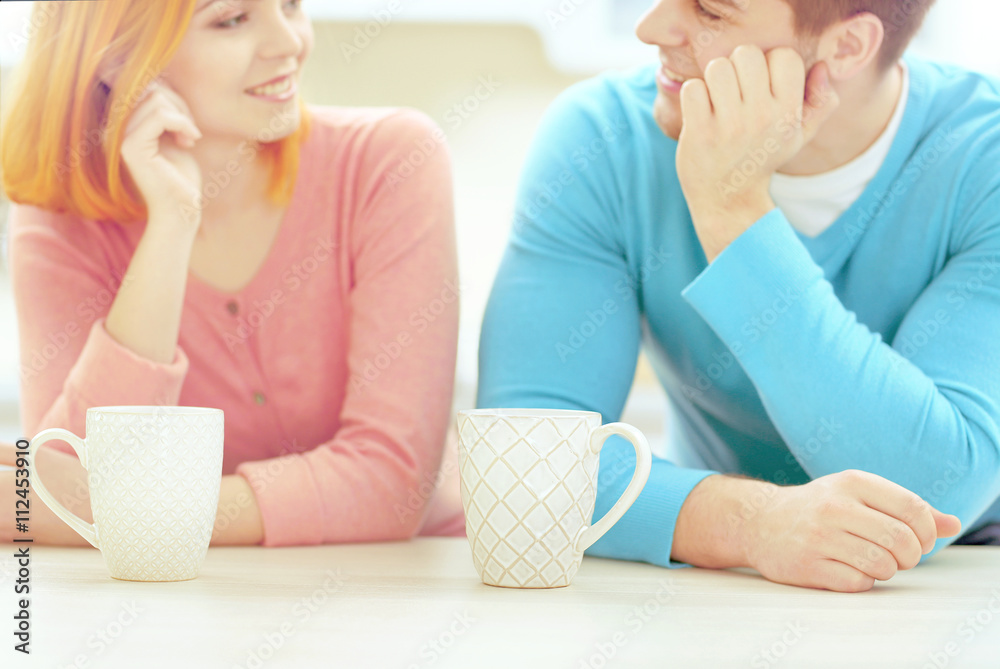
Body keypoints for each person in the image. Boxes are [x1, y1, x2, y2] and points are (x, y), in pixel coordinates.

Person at [477, 0, 1000, 592]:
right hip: (721, 583)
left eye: (711, 13)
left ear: (848, 47)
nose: (651, 30)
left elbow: (932, 495)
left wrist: (732, 208)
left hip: (963, 588)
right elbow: (520, 470)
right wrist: (753, 524)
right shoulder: (602, 139)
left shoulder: (984, 160)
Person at [0, 0, 463, 546]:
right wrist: (171, 226)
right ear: (118, 61)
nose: (288, 43)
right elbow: (62, 480)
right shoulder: (62, 220)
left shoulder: (390, 162)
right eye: (232, 19)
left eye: (290, 4)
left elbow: (389, 485)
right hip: (188, 608)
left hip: (402, 594)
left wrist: (135, 511)